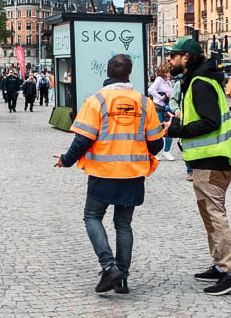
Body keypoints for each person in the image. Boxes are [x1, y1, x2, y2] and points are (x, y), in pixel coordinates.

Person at [53, 54, 164, 294]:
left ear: (108, 72)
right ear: (129, 74)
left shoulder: (97, 101)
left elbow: (82, 139)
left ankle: (109, 265)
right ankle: (122, 278)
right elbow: (156, 146)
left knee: (92, 216)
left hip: (103, 171)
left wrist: (66, 160)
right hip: (133, 173)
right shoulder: (144, 103)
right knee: (123, 224)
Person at [163, 37, 231, 296]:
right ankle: (220, 265)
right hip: (207, 160)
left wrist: (178, 130)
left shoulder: (200, 83)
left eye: (173, 55)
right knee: (209, 214)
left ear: (186, 58)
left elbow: (210, 122)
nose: (170, 59)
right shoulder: (198, 80)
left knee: (215, 215)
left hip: (212, 160)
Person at [148, 64, 175, 161]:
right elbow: (150, 90)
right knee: (157, 129)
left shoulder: (167, 81)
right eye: (168, 71)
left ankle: (167, 151)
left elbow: (171, 91)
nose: (170, 73)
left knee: (170, 128)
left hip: (166, 107)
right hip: (159, 107)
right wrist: (160, 97)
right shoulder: (159, 80)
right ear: (164, 73)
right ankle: (154, 152)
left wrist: (170, 95)